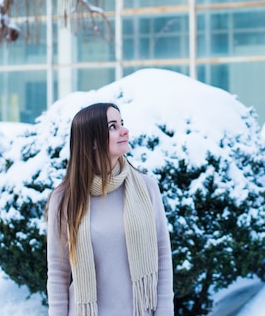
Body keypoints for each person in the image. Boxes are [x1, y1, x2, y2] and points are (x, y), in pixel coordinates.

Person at [46, 102, 174, 316]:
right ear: (93, 140)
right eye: (112, 126)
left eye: (121, 123)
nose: (124, 130)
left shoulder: (146, 188)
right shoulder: (64, 199)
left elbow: (162, 255)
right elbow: (58, 273)